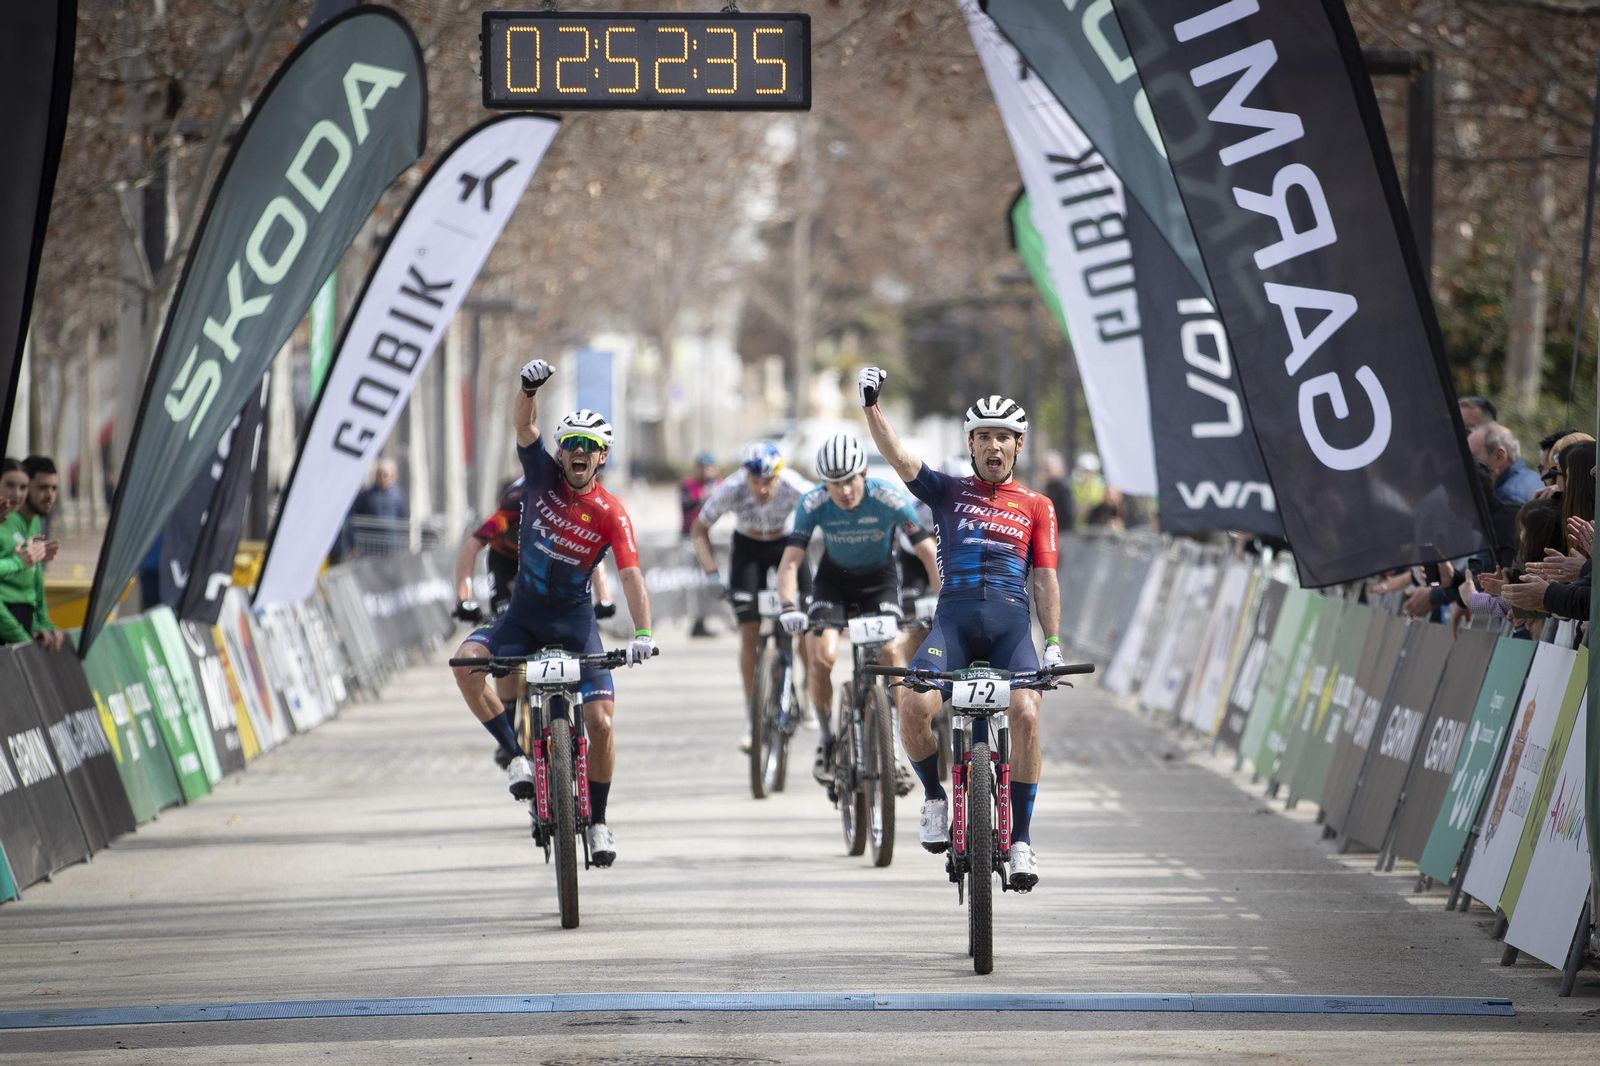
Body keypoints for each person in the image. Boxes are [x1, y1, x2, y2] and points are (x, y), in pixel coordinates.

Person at [857, 367, 1061, 892]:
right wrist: (871, 405)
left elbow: (1045, 580)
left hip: (1013, 631)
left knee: (1027, 714)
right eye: (984, 437)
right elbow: (899, 457)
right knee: (911, 703)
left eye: (1004, 438)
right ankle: (932, 797)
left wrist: (1054, 645)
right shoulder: (946, 491)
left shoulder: (1038, 505)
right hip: (953, 627)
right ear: (970, 445)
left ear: (1019, 446)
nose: (994, 446)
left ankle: (1020, 840)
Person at [450, 360, 656, 867]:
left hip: (575, 625)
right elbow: (523, 425)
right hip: (521, 617)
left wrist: (643, 631)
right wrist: (527, 388)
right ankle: (518, 757)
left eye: (590, 447)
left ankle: (600, 822)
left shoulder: (611, 512)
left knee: (602, 723)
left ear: (602, 456)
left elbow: (630, 574)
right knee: (467, 665)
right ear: (561, 452)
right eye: (572, 444)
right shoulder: (539, 475)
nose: (580, 453)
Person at [773, 433, 941, 787]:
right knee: (822, 658)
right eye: (835, 484)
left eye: (850, 480)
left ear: (863, 473)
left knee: (891, 650)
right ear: (824, 484)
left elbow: (926, 550)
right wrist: (788, 606)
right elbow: (790, 562)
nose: (844, 491)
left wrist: (946, 601)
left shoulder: (888, 498)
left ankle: (893, 744)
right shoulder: (813, 503)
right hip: (832, 584)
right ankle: (825, 739)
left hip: (879, 582)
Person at [690, 440, 814, 742]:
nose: (762, 489)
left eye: (769, 481)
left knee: (807, 627)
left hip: (787, 545)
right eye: (756, 481)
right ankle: (752, 714)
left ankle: (808, 694)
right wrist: (711, 572)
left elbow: (828, 506)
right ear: (745, 476)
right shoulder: (731, 488)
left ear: (779, 476)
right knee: (749, 632)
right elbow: (698, 529)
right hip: (748, 549)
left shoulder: (794, 484)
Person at [0, 456, 62, 650]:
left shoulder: (35, 522)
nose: (50, 495)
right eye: (43, 488)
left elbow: (35, 579)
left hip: (20, 622)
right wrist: (21, 637)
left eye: (23, 487)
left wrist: (42, 623)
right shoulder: (6, 522)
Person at [680, 453, 720, 638]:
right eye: (702, 467)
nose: (706, 471)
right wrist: (705, 498)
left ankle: (707, 619)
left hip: (712, 538)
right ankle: (697, 620)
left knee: (710, 581)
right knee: (694, 583)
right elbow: (686, 505)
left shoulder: (719, 484)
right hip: (691, 538)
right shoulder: (688, 485)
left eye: (709, 467)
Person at [344, 457, 410, 557]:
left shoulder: (399, 496)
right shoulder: (366, 495)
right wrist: (353, 544)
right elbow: (353, 518)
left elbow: (403, 518)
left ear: (392, 476)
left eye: (385, 475)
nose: (382, 478)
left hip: (391, 546)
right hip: (370, 547)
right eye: (379, 475)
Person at [1466, 422, 1542, 507]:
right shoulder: (1533, 477)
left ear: (1499, 456)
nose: (1467, 464)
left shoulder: (1508, 498)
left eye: (1472, 457)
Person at [1040, 451, 1076, 535]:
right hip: (1051, 531)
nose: (1046, 471)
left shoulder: (1063, 488)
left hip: (1063, 533)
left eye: (1048, 469)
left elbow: (1069, 513)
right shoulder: (1048, 487)